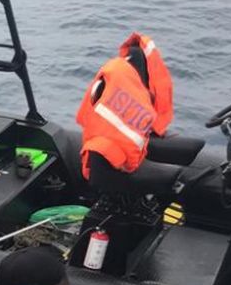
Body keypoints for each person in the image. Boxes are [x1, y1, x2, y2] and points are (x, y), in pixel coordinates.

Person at [75, 32, 174, 182]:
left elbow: (85, 115)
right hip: (120, 160)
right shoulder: (133, 93)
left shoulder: (111, 75)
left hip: (105, 151)